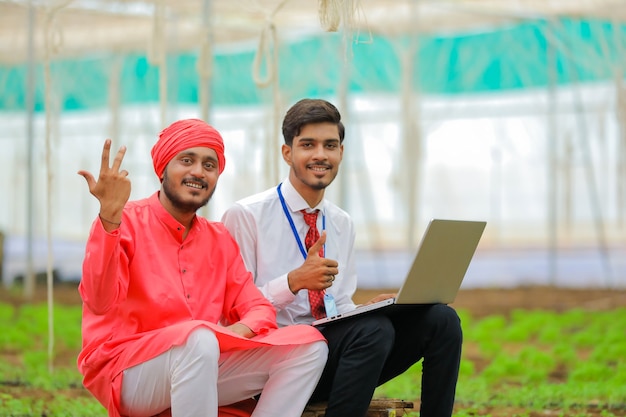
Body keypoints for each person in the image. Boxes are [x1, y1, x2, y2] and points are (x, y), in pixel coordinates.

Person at [221, 99, 463, 417]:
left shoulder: (340, 222)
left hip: (335, 355)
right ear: (287, 153)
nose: (320, 154)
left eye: (330, 145)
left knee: (442, 321)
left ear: (341, 154)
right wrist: (292, 282)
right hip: (275, 361)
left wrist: (366, 310)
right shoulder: (245, 216)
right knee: (374, 331)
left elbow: (338, 304)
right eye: (308, 144)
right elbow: (234, 314)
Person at [76, 118, 328, 417]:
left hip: (201, 360)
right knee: (197, 340)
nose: (198, 171)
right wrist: (109, 216)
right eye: (187, 160)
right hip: (127, 371)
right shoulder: (125, 221)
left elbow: (257, 306)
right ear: (163, 168)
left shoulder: (218, 237)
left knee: (308, 346)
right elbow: (99, 301)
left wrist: (235, 331)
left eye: (209, 165)